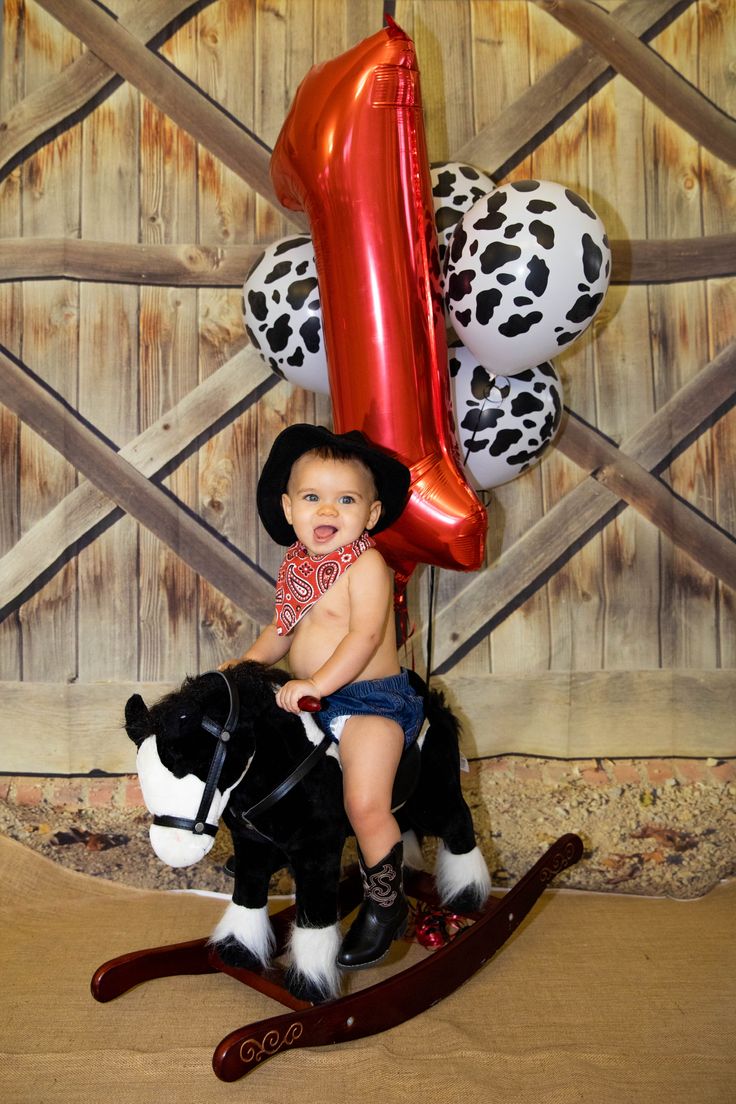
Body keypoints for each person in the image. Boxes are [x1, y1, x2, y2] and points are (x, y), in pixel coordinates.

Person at [223, 423, 423, 969]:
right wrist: (244, 666)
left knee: (364, 802)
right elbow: (281, 630)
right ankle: (260, 847)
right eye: (313, 497)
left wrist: (317, 683)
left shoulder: (367, 565)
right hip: (307, 700)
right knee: (260, 762)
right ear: (289, 509)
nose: (327, 510)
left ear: (371, 515)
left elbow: (365, 637)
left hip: (368, 702)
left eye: (346, 499)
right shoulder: (297, 567)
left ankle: (386, 903)